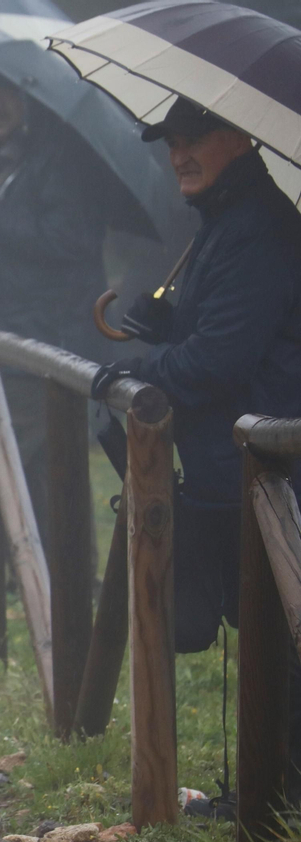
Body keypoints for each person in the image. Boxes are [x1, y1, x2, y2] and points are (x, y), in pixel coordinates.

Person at [91, 98, 301, 797]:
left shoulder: (259, 226)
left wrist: (129, 376)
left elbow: (222, 358)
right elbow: (215, 338)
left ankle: (277, 806)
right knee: (263, 632)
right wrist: (165, 327)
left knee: (280, 635)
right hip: (234, 462)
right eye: (171, 142)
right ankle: (268, 798)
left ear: (239, 137)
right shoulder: (223, 222)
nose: (178, 154)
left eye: (195, 139)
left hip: (268, 459)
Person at [0, 77, 108, 526]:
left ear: (34, 103)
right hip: (10, 329)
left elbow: (70, 242)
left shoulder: (57, 161)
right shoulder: (7, 160)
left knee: (25, 463)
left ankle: (46, 581)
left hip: (43, 335)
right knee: (33, 466)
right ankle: (43, 580)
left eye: (9, 95)